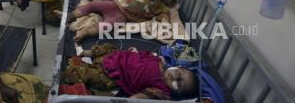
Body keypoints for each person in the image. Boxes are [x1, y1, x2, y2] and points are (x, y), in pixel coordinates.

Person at [64, 44, 199, 100]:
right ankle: (85, 53)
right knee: (108, 47)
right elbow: (145, 56)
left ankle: (72, 69)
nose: (175, 77)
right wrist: (135, 52)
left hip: (112, 74)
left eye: (179, 84)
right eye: (180, 73)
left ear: (178, 93)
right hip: (116, 57)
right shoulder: (160, 61)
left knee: (92, 76)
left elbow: (140, 98)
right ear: (178, 67)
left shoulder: (161, 89)